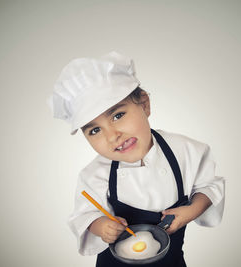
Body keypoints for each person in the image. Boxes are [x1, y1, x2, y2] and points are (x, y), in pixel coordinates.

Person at [49, 51, 225, 267]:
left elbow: (209, 187)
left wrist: (191, 211)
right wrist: (101, 225)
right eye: (95, 130)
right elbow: (83, 216)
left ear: (144, 104)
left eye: (117, 115)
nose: (112, 136)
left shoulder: (186, 151)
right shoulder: (94, 174)